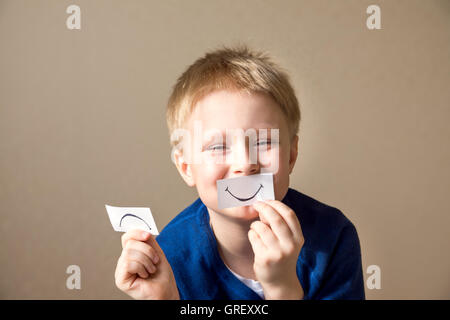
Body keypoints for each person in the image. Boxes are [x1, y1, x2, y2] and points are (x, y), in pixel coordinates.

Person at [114, 45, 365, 300]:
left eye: (264, 142)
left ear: (291, 155)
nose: (245, 164)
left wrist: (282, 287)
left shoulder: (332, 237)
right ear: (186, 167)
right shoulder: (168, 259)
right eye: (218, 146)